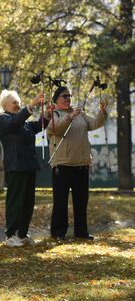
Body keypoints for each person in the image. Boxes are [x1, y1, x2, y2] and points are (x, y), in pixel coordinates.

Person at [47, 86, 107, 241]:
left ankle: (81, 232)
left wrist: (102, 111)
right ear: (56, 100)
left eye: (69, 96)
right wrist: (70, 116)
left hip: (81, 164)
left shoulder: (80, 115)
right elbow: (55, 129)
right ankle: (58, 233)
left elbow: (95, 124)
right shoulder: (54, 115)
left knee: (81, 201)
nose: (68, 98)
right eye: (64, 96)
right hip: (62, 164)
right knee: (60, 201)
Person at [0, 90, 46, 247]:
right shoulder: (2, 120)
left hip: (29, 165)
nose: (17, 105)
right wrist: (32, 104)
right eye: (14, 102)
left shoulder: (23, 122)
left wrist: (48, 115)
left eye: (18, 102)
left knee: (28, 202)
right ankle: (11, 235)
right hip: (15, 166)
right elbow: (13, 124)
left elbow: (37, 126)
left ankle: (22, 233)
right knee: (15, 201)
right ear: (5, 105)